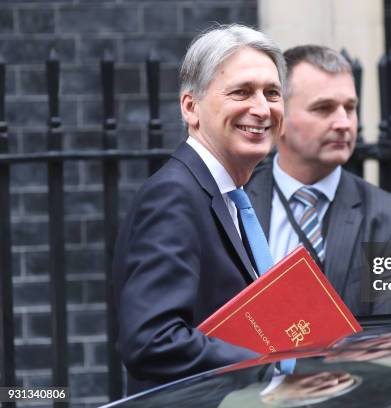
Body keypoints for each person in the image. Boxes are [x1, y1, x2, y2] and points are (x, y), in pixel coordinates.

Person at [112, 24, 285, 394]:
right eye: (242, 92)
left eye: (272, 93)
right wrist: (262, 364)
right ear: (191, 107)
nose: (262, 108)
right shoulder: (174, 195)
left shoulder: (230, 196)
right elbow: (151, 340)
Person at [245, 45, 391, 316]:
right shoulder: (232, 204)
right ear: (278, 117)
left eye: (349, 108)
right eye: (324, 108)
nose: (344, 123)